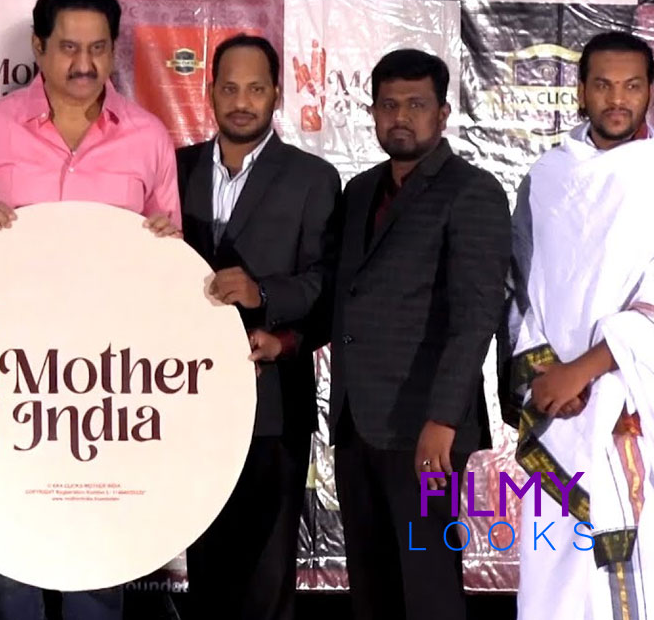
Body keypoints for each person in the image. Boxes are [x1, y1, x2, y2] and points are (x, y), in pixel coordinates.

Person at [0, 0, 180, 620]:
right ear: (39, 48)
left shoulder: (149, 137)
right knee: (13, 559)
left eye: (98, 48)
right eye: (69, 47)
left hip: (109, 382)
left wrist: (162, 244)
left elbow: (172, 255)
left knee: (97, 553)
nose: (84, 64)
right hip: (12, 376)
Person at [327, 49, 510, 620]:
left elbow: (476, 315)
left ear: (443, 113)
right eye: (388, 105)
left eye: (416, 104)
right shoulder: (359, 191)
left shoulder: (473, 191)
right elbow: (344, 298)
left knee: (427, 586)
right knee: (372, 589)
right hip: (357, 425)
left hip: (427, 434)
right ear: (373, 113)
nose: (400, 117)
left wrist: (443, 422)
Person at [177, 34, 340, 620]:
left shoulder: (312, 177)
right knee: (206, 574)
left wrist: (264, 294)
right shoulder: (174, 168)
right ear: (210, 92)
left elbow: (327, 283)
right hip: (183, 400)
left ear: (276, 93)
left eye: (255, 89)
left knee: (266, 580)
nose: (241, 102)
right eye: (229, 88)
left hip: (272, 401)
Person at [508, 31, 654, 620]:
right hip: (557, 411)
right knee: (555, 586)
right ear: (581, 91)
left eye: (632, 86)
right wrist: (549, 377)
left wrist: (585, 371)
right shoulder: (547, 177)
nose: (617, 99)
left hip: (632, 411)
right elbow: (521, 286)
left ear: (650, 92)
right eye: (603, 85)